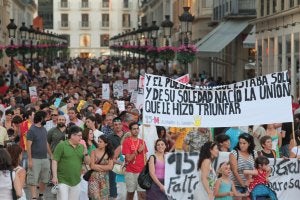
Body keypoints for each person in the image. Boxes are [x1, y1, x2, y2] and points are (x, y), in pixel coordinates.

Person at [52, 125, 90, 200]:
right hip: (62, 180)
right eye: (79, 135)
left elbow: (88, 162)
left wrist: (85, 153)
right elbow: (54, 161)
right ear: (72, 135)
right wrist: (55, 176)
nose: (81, 138)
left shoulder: (82, 147)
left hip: (76, 181)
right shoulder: (62, 145)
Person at [26, 110, 53, 200]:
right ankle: (34, 197)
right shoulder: (31, 130)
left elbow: (46, 143)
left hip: (45, 158)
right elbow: (28, 146)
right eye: (45, 117)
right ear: (41, 118)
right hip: (34, 159)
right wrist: (29, 160)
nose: (47, 119)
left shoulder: (44, 129)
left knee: (45, 179)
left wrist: (51, 155)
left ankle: (40, 194)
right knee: (33, 179)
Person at [122, 122, 148, 200]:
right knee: (130, 194)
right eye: (134, 129)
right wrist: (138, 151)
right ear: (130, 130)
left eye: (137, 129)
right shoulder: (127, 141)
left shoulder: (142, 142)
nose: (136, 131)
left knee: (142, 194)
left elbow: (145, 157)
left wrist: (146, 170)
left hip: (141, 172)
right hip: (130, 172)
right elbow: (128, 158)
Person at [229, 133, 257, 200]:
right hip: (235, 185)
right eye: (240, 143)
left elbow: (256, 169)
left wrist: (250, 183)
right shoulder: (234, 153)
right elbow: (234, 171)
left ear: (249, 143)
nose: (241, 145)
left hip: (249, 185)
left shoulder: (254, 153)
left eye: (244, 143)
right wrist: (243, 184)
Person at [88, 135, 114, 199]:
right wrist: (104, 167)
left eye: (100, 142)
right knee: (95, 197)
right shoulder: (93, 152)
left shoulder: (110, 153)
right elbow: (92, 166)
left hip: (105, 178)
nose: (98, 143)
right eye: (98, 141)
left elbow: (110, 167)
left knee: (104, 197)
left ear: (106, 144)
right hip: (94, 178)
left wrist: (97, 166)